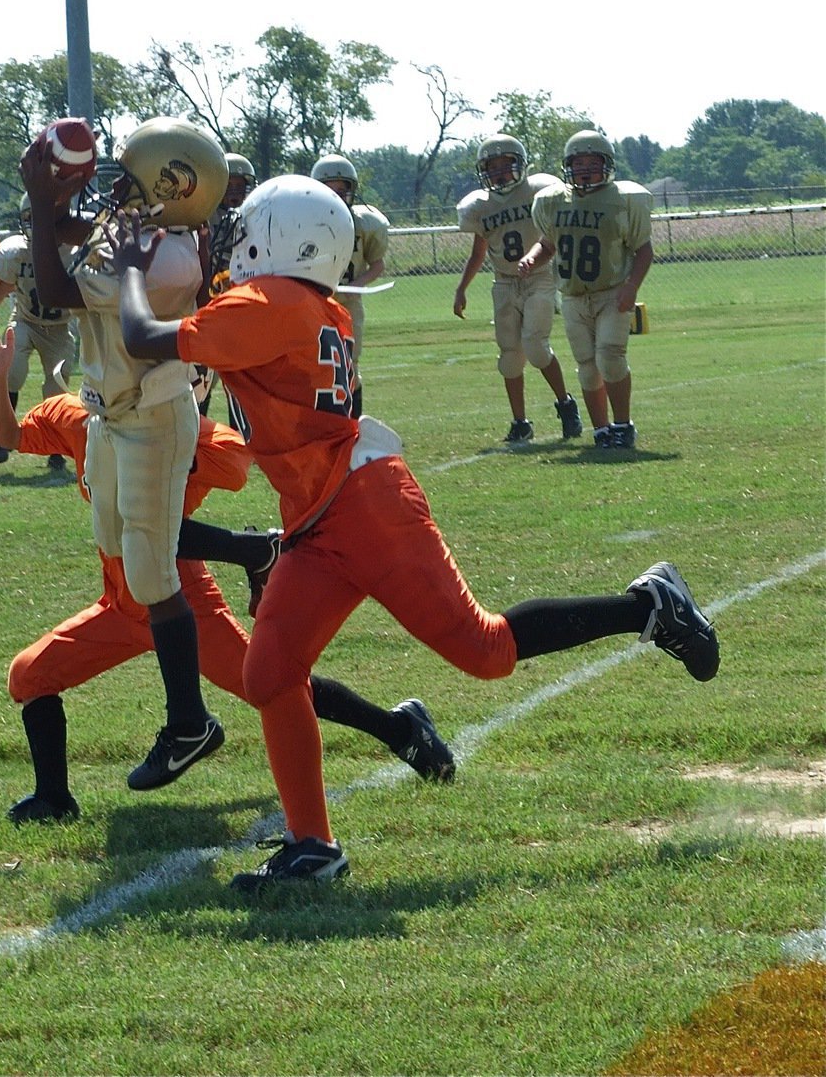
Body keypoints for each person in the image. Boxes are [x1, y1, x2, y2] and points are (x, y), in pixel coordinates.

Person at [113, 175, 720, 891]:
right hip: (321, 508)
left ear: (283, 238)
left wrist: (127, 265)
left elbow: (143, 337)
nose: (232, 237)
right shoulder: (311, 302)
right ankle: (312, 845)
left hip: (364, 506)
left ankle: (649, 604)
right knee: (270, 674)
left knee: (487, 652)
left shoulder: (272, 301)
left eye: (246, 226)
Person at [0, 322, 455, 822]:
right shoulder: (82, 420)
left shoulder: (204, 441)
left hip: (183, 605)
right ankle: (53, 797)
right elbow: (8, 436)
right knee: (30, 675)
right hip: (120, 601)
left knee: (277, 687)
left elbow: (164, 521)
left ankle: (401, 729)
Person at [20, 115, 231, 791]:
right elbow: (74, 238)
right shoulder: (147, 235)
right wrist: (53, 203)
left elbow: (55, 292)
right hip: (110, 413)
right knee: (119, 545)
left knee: (150, 574)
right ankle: (255, 549)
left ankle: (188, 723)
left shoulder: (167, 258)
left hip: (150, 417)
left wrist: (36, 200)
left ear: (168, 187)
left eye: (129, 178)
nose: (115, 186)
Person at [517, 130, 654, 449]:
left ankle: (623, 425)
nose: (585, 170)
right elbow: (548, 244)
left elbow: (643, 249)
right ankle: (602, 430)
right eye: (578, 164)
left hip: (612, 292)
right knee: (587, 368)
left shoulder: (624, 198)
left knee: (610, 357)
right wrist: (530, 259)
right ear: (568, 167)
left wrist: (632, 286)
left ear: (607, 165)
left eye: (592, 163)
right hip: (573, 297)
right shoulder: (553, 201)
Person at [454, 135, 583, 444]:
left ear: (520, 165)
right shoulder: (480, 205)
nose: (499, 173)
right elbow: (478, 252)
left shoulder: (540, 190)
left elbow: (555, 232)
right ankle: (520, 421)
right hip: (504, 282)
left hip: (539, 276)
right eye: (492, 167)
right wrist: (462, 288)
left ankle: (566, 405)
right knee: (510, 355)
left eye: (505, 165)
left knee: (536, 347)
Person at [0, 192, 78, 469]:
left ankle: (55, 447)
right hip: (25, 320)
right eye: (31, 219)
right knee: (13, 370)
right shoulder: (17, 252)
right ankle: (2, 440)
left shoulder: (75, 252)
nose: (38, 225)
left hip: (59, 328)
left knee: (55, 387)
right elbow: (3, 289)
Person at [310, 153, 389, 417]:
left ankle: (352, 427)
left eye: (342, 190)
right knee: (313, 365)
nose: (336, 196)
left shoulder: (365, 223)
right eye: (329, 189)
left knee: (349, 365)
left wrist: (355, 286)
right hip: (314, 303)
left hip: (348, 304)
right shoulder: (304, 222)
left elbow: (378, 264)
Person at [197, 152, 258, 422]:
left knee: (242, 386)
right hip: (210, 307)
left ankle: (239, 443)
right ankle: (197, 442)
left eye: (238, 185)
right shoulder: (201, 215)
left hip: (243, 310)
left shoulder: (257, 217)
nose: (234, 191)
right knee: (201, 381)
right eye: (227, 185)